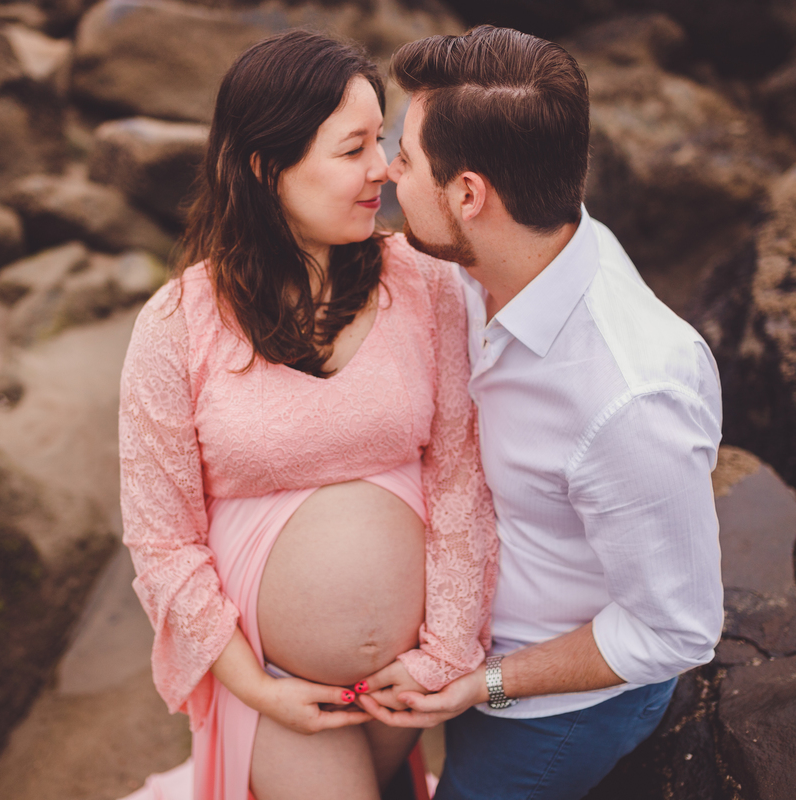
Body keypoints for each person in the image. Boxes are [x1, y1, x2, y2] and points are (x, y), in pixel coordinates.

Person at [117, 29, 498, 800]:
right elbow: (162, 540)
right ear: (267, 168)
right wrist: (255, 688)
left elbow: (461, 476)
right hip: (274, 685)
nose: (385, 170)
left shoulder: (424, 284)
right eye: (353, 148)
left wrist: (444, 652)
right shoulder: (177, 324)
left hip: (409, 683)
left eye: (384, 142)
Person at [356, 26, 724, 800]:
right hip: (452, 637)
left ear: (468, 195)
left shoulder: (630, 399)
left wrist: (484, 684)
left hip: (551, 711)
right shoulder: (490, 258)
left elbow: (678, 629)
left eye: (408, 158)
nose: (389, 171)